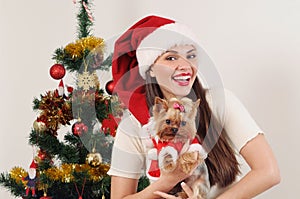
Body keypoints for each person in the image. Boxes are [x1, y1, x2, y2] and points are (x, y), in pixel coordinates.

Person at [107, 15, 280, 199]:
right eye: (171, 58)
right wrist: (167, 182)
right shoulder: (133, 126)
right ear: (150, 68)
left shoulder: (221, 102)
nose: (185, 65)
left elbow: (269, 172)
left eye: (191, 55)